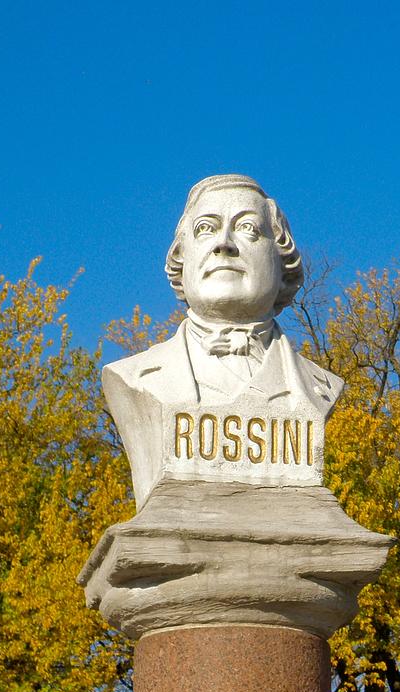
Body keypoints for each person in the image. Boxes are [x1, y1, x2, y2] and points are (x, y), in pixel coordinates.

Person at [103, 174, 343, 506]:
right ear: (182, 258)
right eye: (206, 229)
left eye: (248, 229)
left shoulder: (319, 387)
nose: (224, 244)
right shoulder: (134, 378)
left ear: (282, 260)